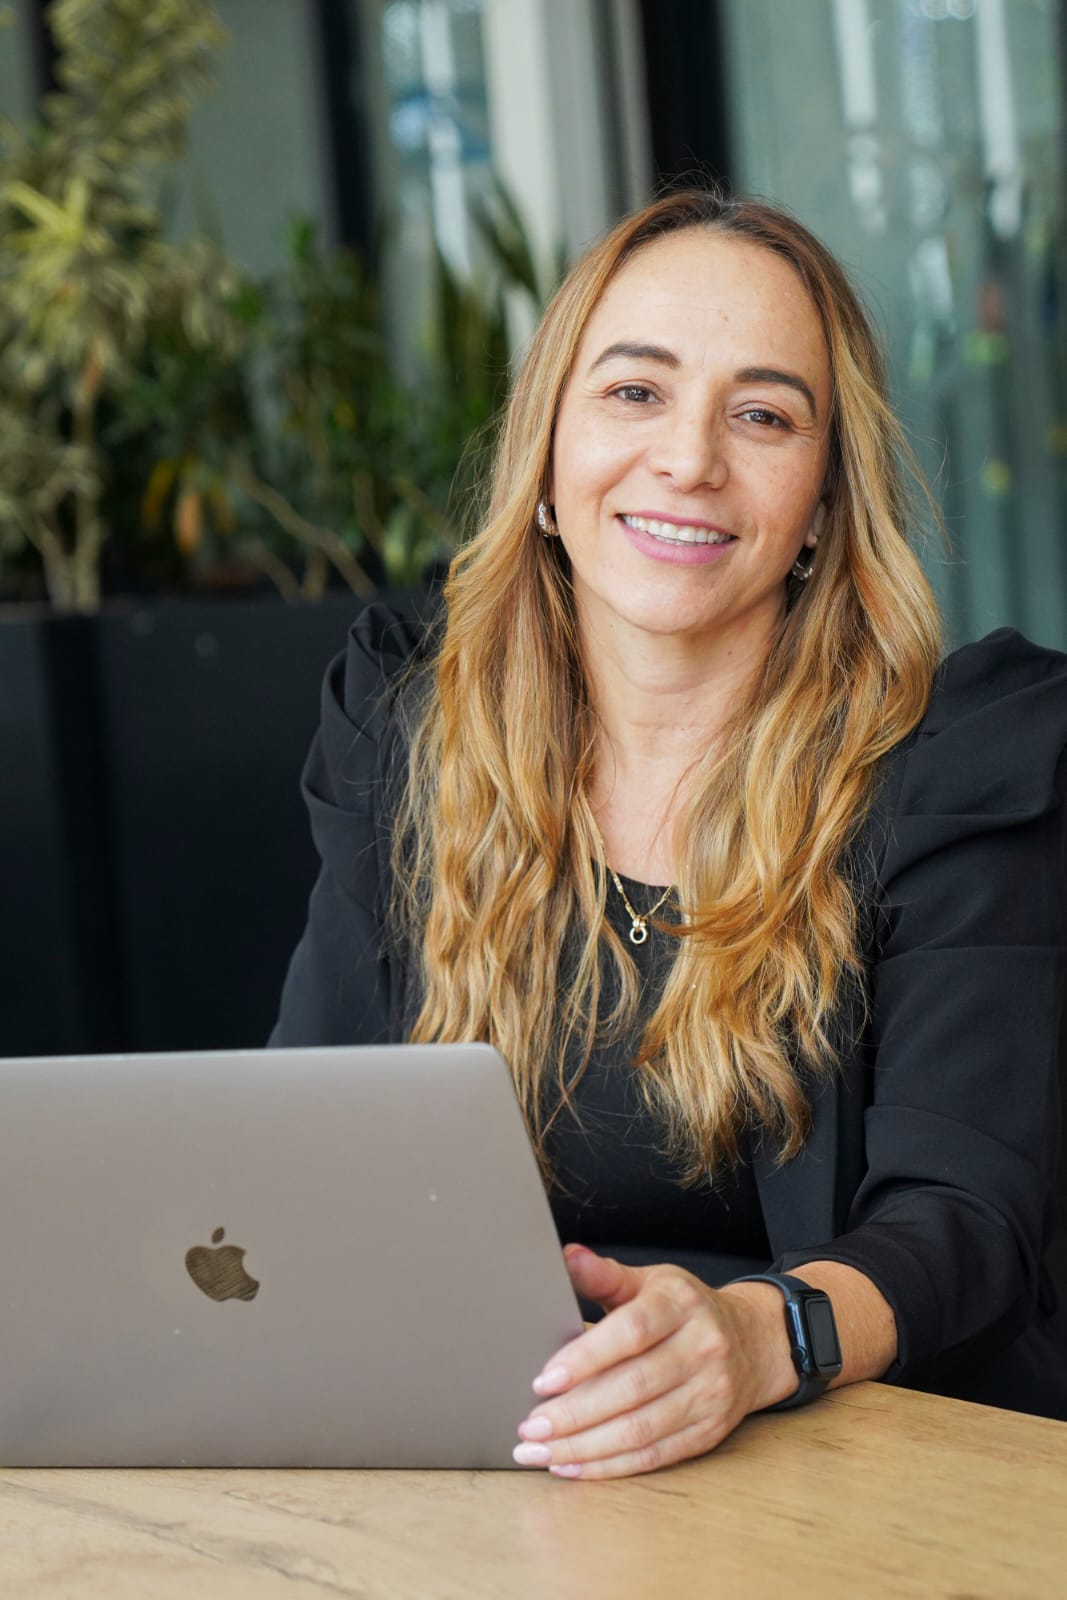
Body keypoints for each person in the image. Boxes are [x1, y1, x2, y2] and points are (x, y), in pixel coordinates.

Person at [271, 188, 1067, 1475]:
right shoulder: (411, 734)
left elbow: (964, 1219)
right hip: (517, 1447)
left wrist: (756, 1336)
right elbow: (305, 1136)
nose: (689, 458)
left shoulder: (949, 765)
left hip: (871, 1464)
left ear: (821, 503)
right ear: (545, 458)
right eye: (634, 391)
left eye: (762, 416)